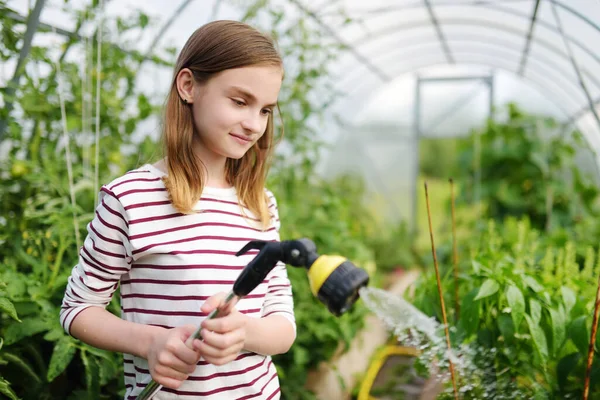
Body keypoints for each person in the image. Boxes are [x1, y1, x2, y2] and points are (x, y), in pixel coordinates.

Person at [60, 20, 296, 400]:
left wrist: (245, 333)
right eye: (239, 101)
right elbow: (78, 309)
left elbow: (282, 324)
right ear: (188, 86)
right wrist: (150, 342)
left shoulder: (259, 203)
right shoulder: (130, 198)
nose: (254, 125)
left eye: (266, 110)